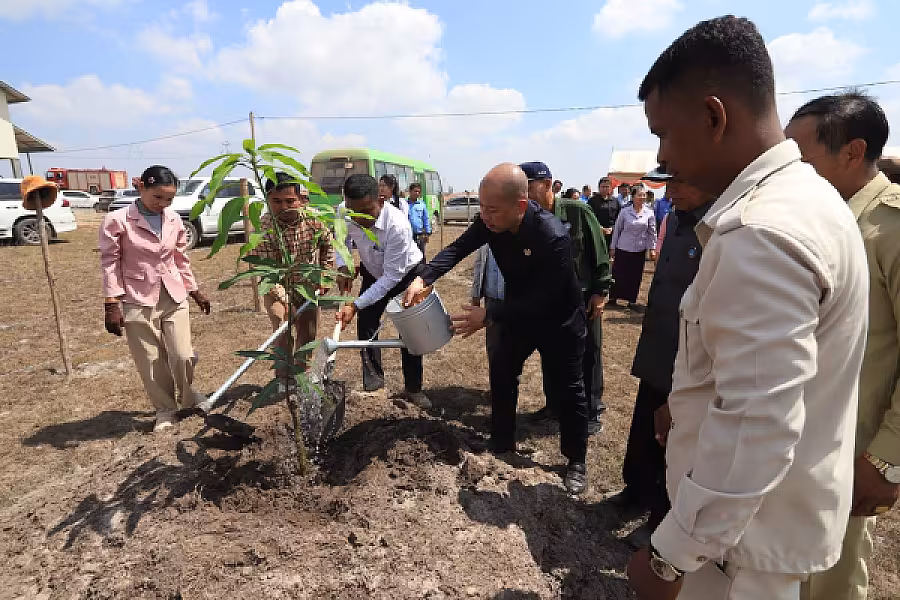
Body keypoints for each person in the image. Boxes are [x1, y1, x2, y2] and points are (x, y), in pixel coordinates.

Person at [625, 16, 869, 600]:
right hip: (757, 536)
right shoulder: (807, 200)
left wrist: (672, 556)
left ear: (714, 117)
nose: (661, 155)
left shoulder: (762, 232)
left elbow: (756, 424)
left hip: (733, 557)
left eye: (664, 133)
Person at [403, 163, 591, 495]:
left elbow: (547, 298)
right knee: (502, 374)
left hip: (559, 319)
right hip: (517, 316)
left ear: (520, 205)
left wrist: (489, 315)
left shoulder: (553, 236)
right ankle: (502, 441)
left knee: (570, 388)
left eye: (492, 210)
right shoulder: (491, 221)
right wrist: (424, 278)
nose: (485, 216)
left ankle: (576, 459)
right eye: (482, 208)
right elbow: (458, 248)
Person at [786, 91, 900, 600]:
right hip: (798, 436)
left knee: (829, 580)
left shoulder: (889, 227)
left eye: (802, 157)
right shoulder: (820, 219)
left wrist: (887, 460)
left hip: (853, 451)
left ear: (853, 152)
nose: (790, 171)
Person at [607, 173, 714, 549]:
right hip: (659, 347)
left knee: (676, 440)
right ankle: (634, 491)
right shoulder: (677, 221)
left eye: (680, 181)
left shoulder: (716, 228)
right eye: (668, 184)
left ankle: (662, 518)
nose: (671, 191)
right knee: (644, 428)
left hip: (690, 358)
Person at [99, 165, 213, 431]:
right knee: (151, 360)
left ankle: (189, 398)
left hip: (173, 294)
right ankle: (165, 410)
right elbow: (110, 263)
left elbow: (180, 258)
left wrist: (194, 291)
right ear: (141, 187)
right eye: (157, 197)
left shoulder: (173, 219)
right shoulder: (117, 220)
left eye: (169, 199)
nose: (162, 204)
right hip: (137, 297)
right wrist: (111, 303)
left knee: (183, 354)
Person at [519, 161, 611, 436]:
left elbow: (599, 252)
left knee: (588, 354)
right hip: (549, 302)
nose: (524, 194)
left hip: (583, 299)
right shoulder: (529, 219)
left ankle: (592, 410)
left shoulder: (578, 211)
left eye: (528, 188)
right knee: (551, 353)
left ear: (547, 185)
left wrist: (600, 291)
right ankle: (555, 406)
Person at [335, 174, 430, 408]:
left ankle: (413, 389)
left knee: (410, 331)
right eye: (354, 212)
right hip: (373, 270)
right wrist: (343, 266)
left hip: (405, 274)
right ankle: (374, 385)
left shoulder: (397, 225)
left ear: (381, 199)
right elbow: (341, 242)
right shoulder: (343, 212)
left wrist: (355, 304)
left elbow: (391, 278)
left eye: (367, 211)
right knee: (366, 325)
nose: (360, 218)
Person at [251, 172, 335, 381]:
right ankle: (283, 379)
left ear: (300, 199)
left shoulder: (314, 219)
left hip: (307, 286)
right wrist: (285, 301)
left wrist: (325, 274)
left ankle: (301, 377)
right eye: (276, 201)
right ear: (268, 200)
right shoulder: (264, 228)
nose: (284, 207)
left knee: (308, 333)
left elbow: (328, 244)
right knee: (282, 330)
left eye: (290, 201)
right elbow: (268, 273)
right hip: (277, 287)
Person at [608, 186, 657, 312]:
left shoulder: (649, 213)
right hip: (623, 247)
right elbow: (617, 230)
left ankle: (631, 300)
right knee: (619, 274)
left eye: (644, 195)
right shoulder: (625, 212)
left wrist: (652, 248)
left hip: (639, 249)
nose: (642, 197)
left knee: (635, 275)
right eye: (639, 195)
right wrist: (613, 247)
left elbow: (652, 232)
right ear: (633, 197)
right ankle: (613, 298)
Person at [471, 244, 505, 388]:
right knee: (493, 347)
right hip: (491, 298)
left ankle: (508, 389)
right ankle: (496, 389)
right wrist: (475, 294)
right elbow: (479, 262)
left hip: (512, 299)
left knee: (512, 347)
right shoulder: (486, 236)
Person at [588, 176, 621, 249]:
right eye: (603, 187)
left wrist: (612, 228)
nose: (605, 189)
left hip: (613, 233)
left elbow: (619, 218)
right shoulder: (592, 201)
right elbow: (589, 217)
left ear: (610, 188)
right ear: (599, 188)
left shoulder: (615, 201)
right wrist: (600, 228)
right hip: (597, 233)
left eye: (607, 187)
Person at [407, 182, 432, 256]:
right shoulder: (404, 204)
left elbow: (426, 219)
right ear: (410, 191)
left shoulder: (422, 204)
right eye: (415, 191)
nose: (417, 193)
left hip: (419, 234)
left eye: (419, 192)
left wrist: (427, 233)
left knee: (420, 255)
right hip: (408, 235)